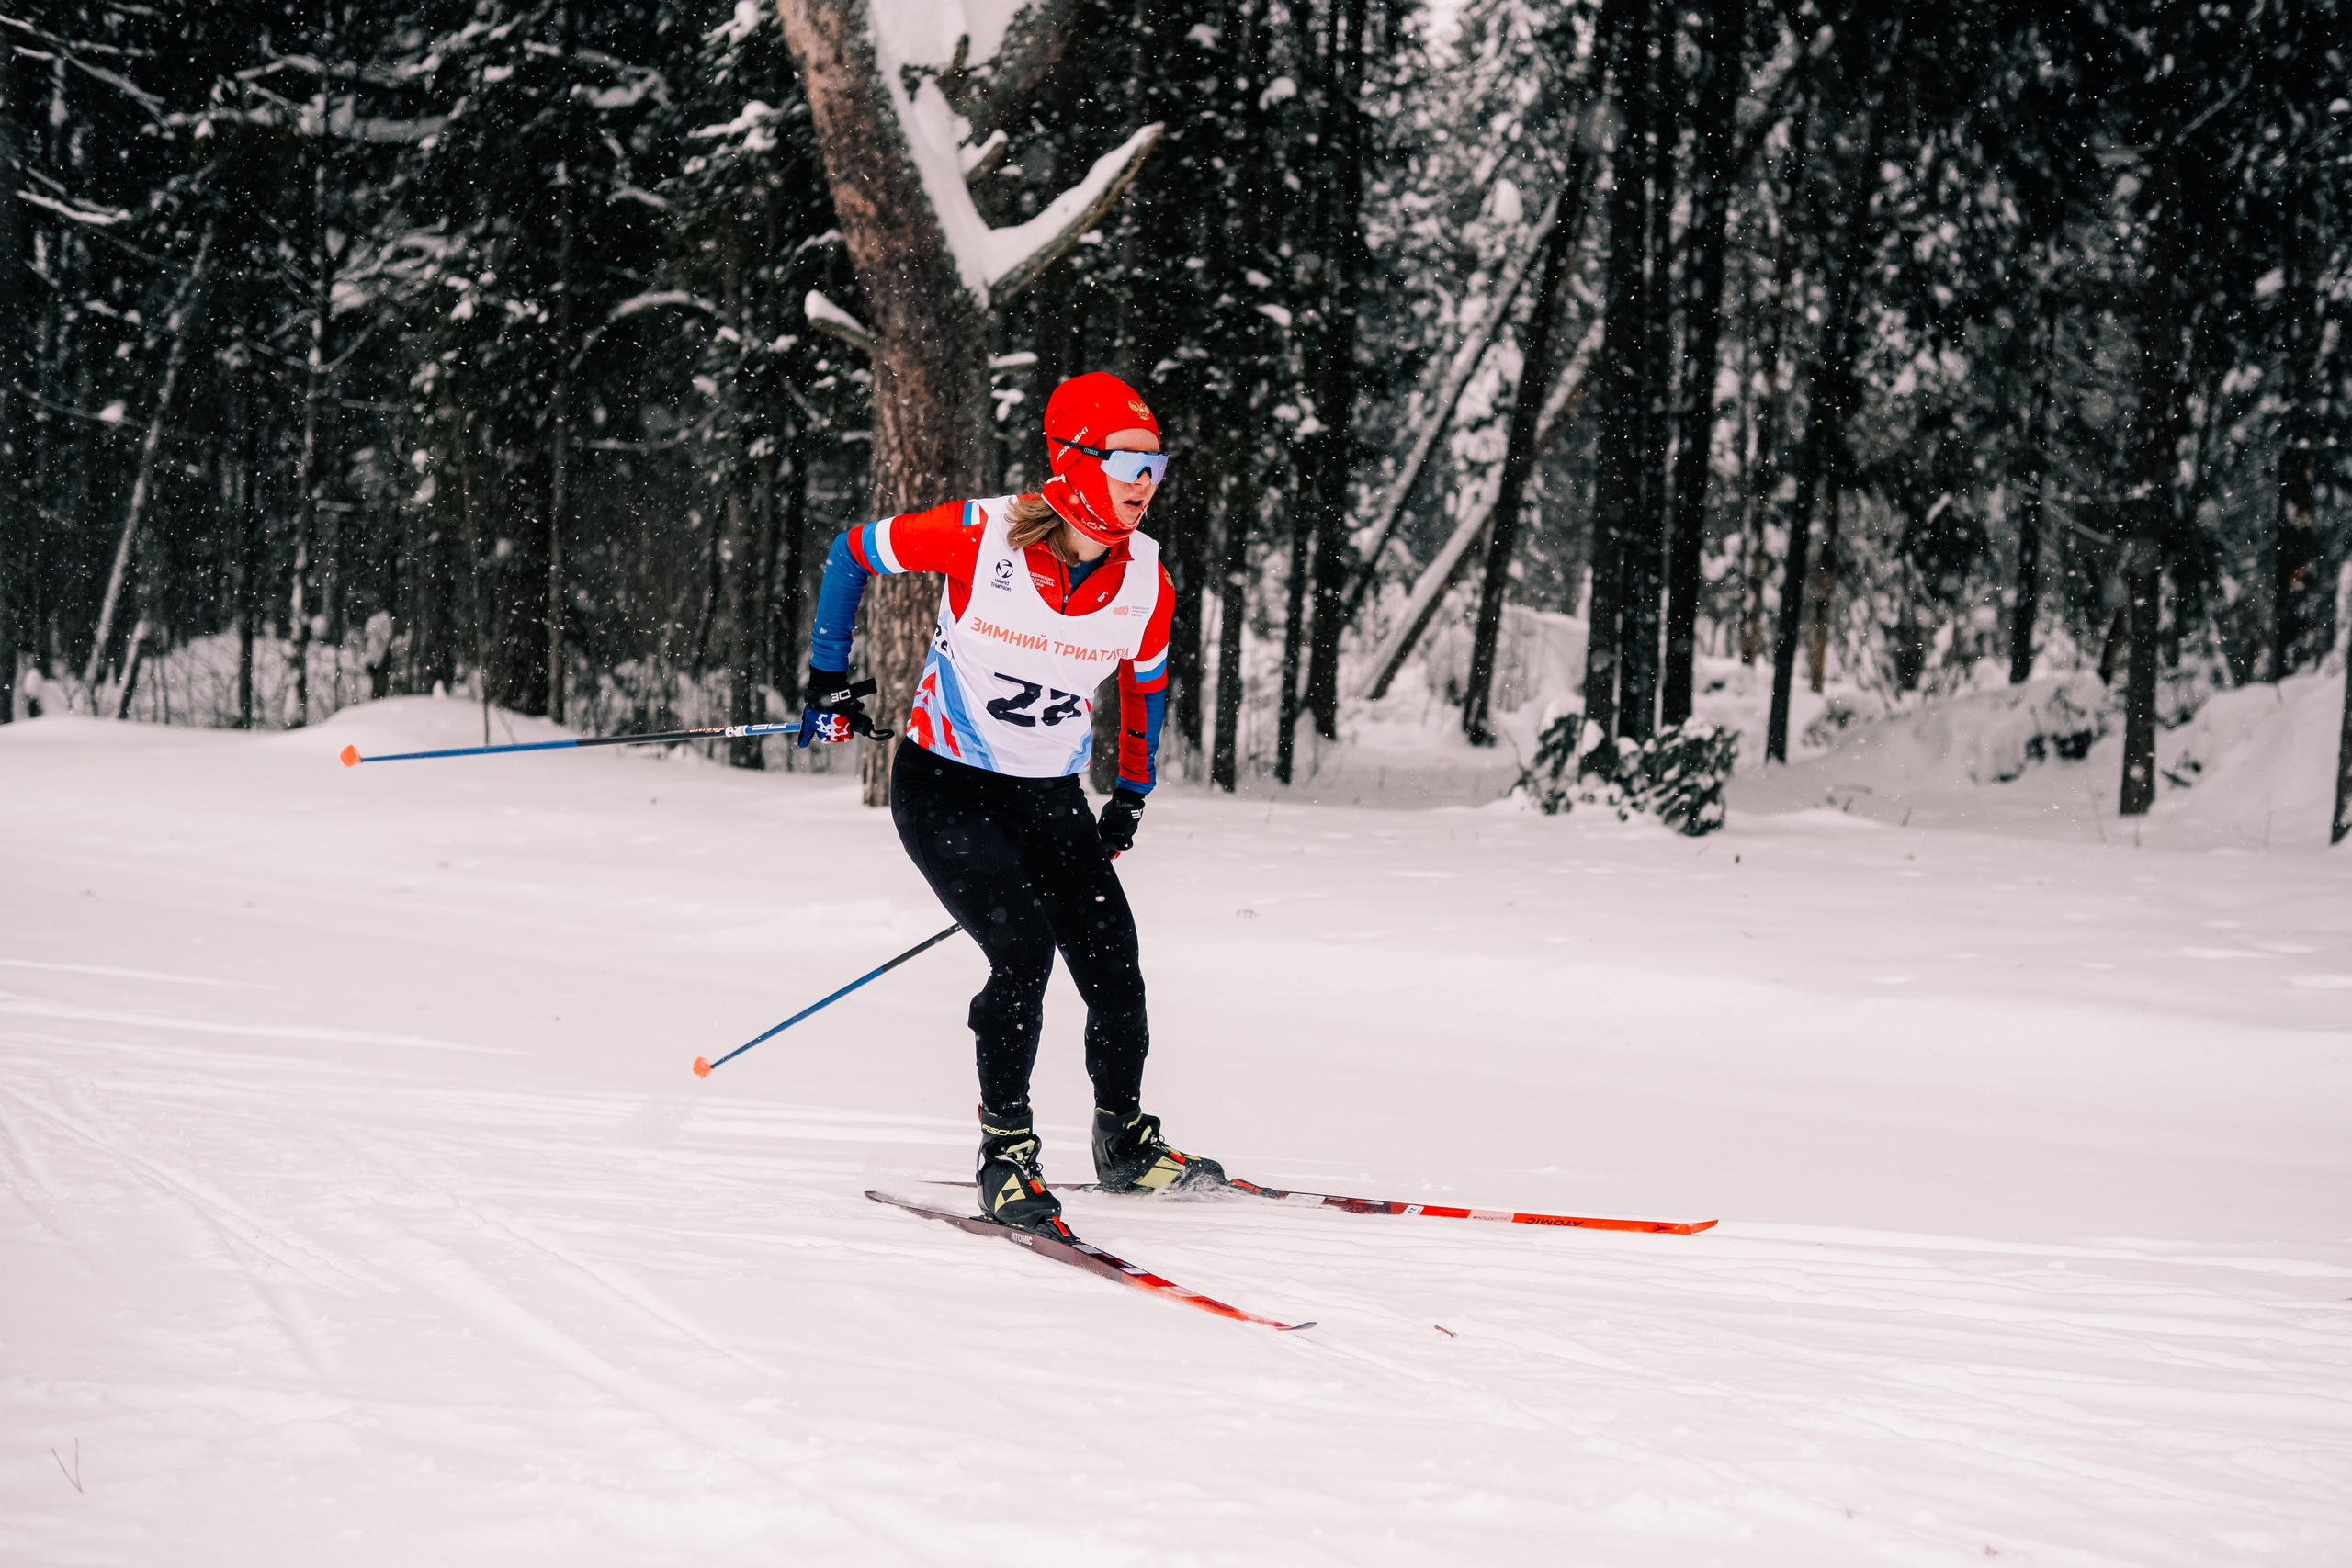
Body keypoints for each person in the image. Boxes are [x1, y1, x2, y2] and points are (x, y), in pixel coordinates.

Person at [798, 372, 1225, 1237]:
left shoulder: (1147, 581)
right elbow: (853, 552)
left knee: (1114, 963)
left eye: (1156, 464)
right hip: (944, 788)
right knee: (1023, 951)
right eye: (1127, 462)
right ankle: (1006, 1154)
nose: (1145, 481)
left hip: (1048, 798)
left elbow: (1145, 689)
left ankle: (1123, 1141)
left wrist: (1132, 792)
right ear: (1076, 461)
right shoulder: (981, 532)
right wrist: (827, 678)